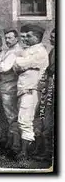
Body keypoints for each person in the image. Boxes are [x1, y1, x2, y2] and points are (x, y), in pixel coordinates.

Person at [12, 24, 49, 160]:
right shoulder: (27, 50)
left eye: (29, 36)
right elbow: (16, 67)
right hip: (23, 89)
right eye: (25, 36)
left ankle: (24, 153)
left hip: (31, 90)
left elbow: (20, 64)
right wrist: (21, 63)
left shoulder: (40, 51)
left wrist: (21, 63)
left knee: (25, 121)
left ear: (37, 37)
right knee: (28, 121)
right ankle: (33, 151)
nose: (25, 38)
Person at [0, 29, 24, 152]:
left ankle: (16, 143)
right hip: (5, 87)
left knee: (12, 115)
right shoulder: (9, 51)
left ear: (17, 38)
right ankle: (10, 140)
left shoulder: (15, 52)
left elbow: (3, 68)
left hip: (10, 87)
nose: (7, 40)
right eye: (6, 38)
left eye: (10, 38)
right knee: (8, 115)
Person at [34, 29, 55, 161]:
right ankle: (46, 151)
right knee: (44, 119)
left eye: (54, 37)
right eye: (51, 37)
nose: (51, 39)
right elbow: (48, 70)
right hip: (49, 89)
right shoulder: (52, 51)